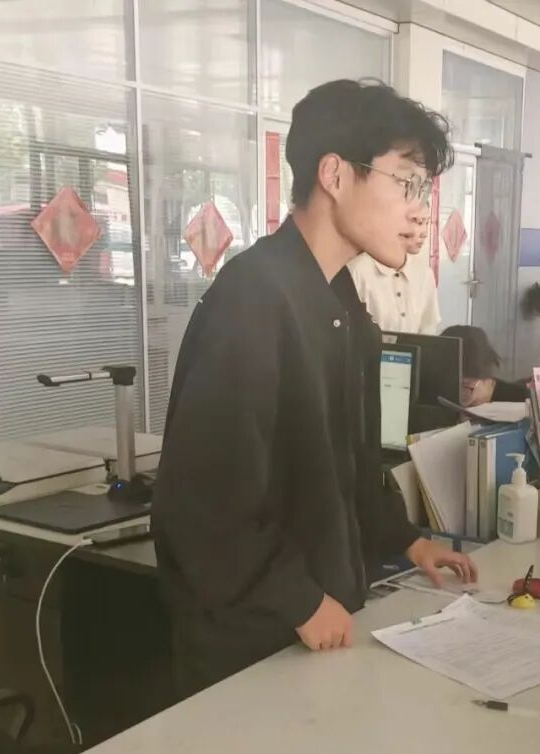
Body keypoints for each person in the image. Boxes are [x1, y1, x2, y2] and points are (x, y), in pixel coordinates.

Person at [152, 80, 477, 698]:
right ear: (335, 174)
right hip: (250, 648)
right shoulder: (252, 300)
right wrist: (298, 599)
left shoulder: (338, 299)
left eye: (424, 190)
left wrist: (406, 540)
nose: (421, 211)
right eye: (407, 183)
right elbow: (202, 503)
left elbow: (347, 464)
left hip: (315, 630)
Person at [348, 208, 441, 334]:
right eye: (417, 221)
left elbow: (428, 328)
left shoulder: (424, 273)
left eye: (427, 222)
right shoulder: (357, 271)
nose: (425, 233)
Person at [440, 324, 528, 407]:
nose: (460, 396)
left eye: (465, 386)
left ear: (486, 379)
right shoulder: (441, 396)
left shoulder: (523, 401)